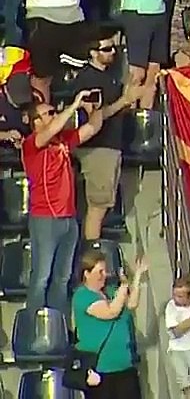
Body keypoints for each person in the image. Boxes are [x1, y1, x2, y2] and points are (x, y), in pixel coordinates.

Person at [24, 89, 106, 317]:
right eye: (48, 113)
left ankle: (57, 325)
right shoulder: (31, 143)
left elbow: (92, 128)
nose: (53, 115)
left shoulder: (63, 141)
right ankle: (33, 324)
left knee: (62, 276)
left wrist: (95, 108)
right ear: (35, 122)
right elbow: (50, 130)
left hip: (68, 218)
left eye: (53, 111)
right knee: (41, 276)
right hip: (45, 218)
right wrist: (73, 105)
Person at [69, 27, 140, 241]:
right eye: (107, 49)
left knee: (102, 206)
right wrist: (124, 100)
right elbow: (95, 118)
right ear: (93, 52)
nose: (113, 53)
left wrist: (128, 92)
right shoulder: (88, 79)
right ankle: (91, 253)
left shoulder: (107, 77)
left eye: (113, 48)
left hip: (110, 146)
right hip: (98, 147)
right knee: (97, 209)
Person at [73, 251, 147, 399]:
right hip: (101, 370)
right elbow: (111, 312)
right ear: (86, 273)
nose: (104, 275)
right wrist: (123, 287)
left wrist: (137, 277)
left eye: (105, 271)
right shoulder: (82, 296)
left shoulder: (110, 291)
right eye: (100, 271)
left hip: (125, 366)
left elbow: (131, 304)